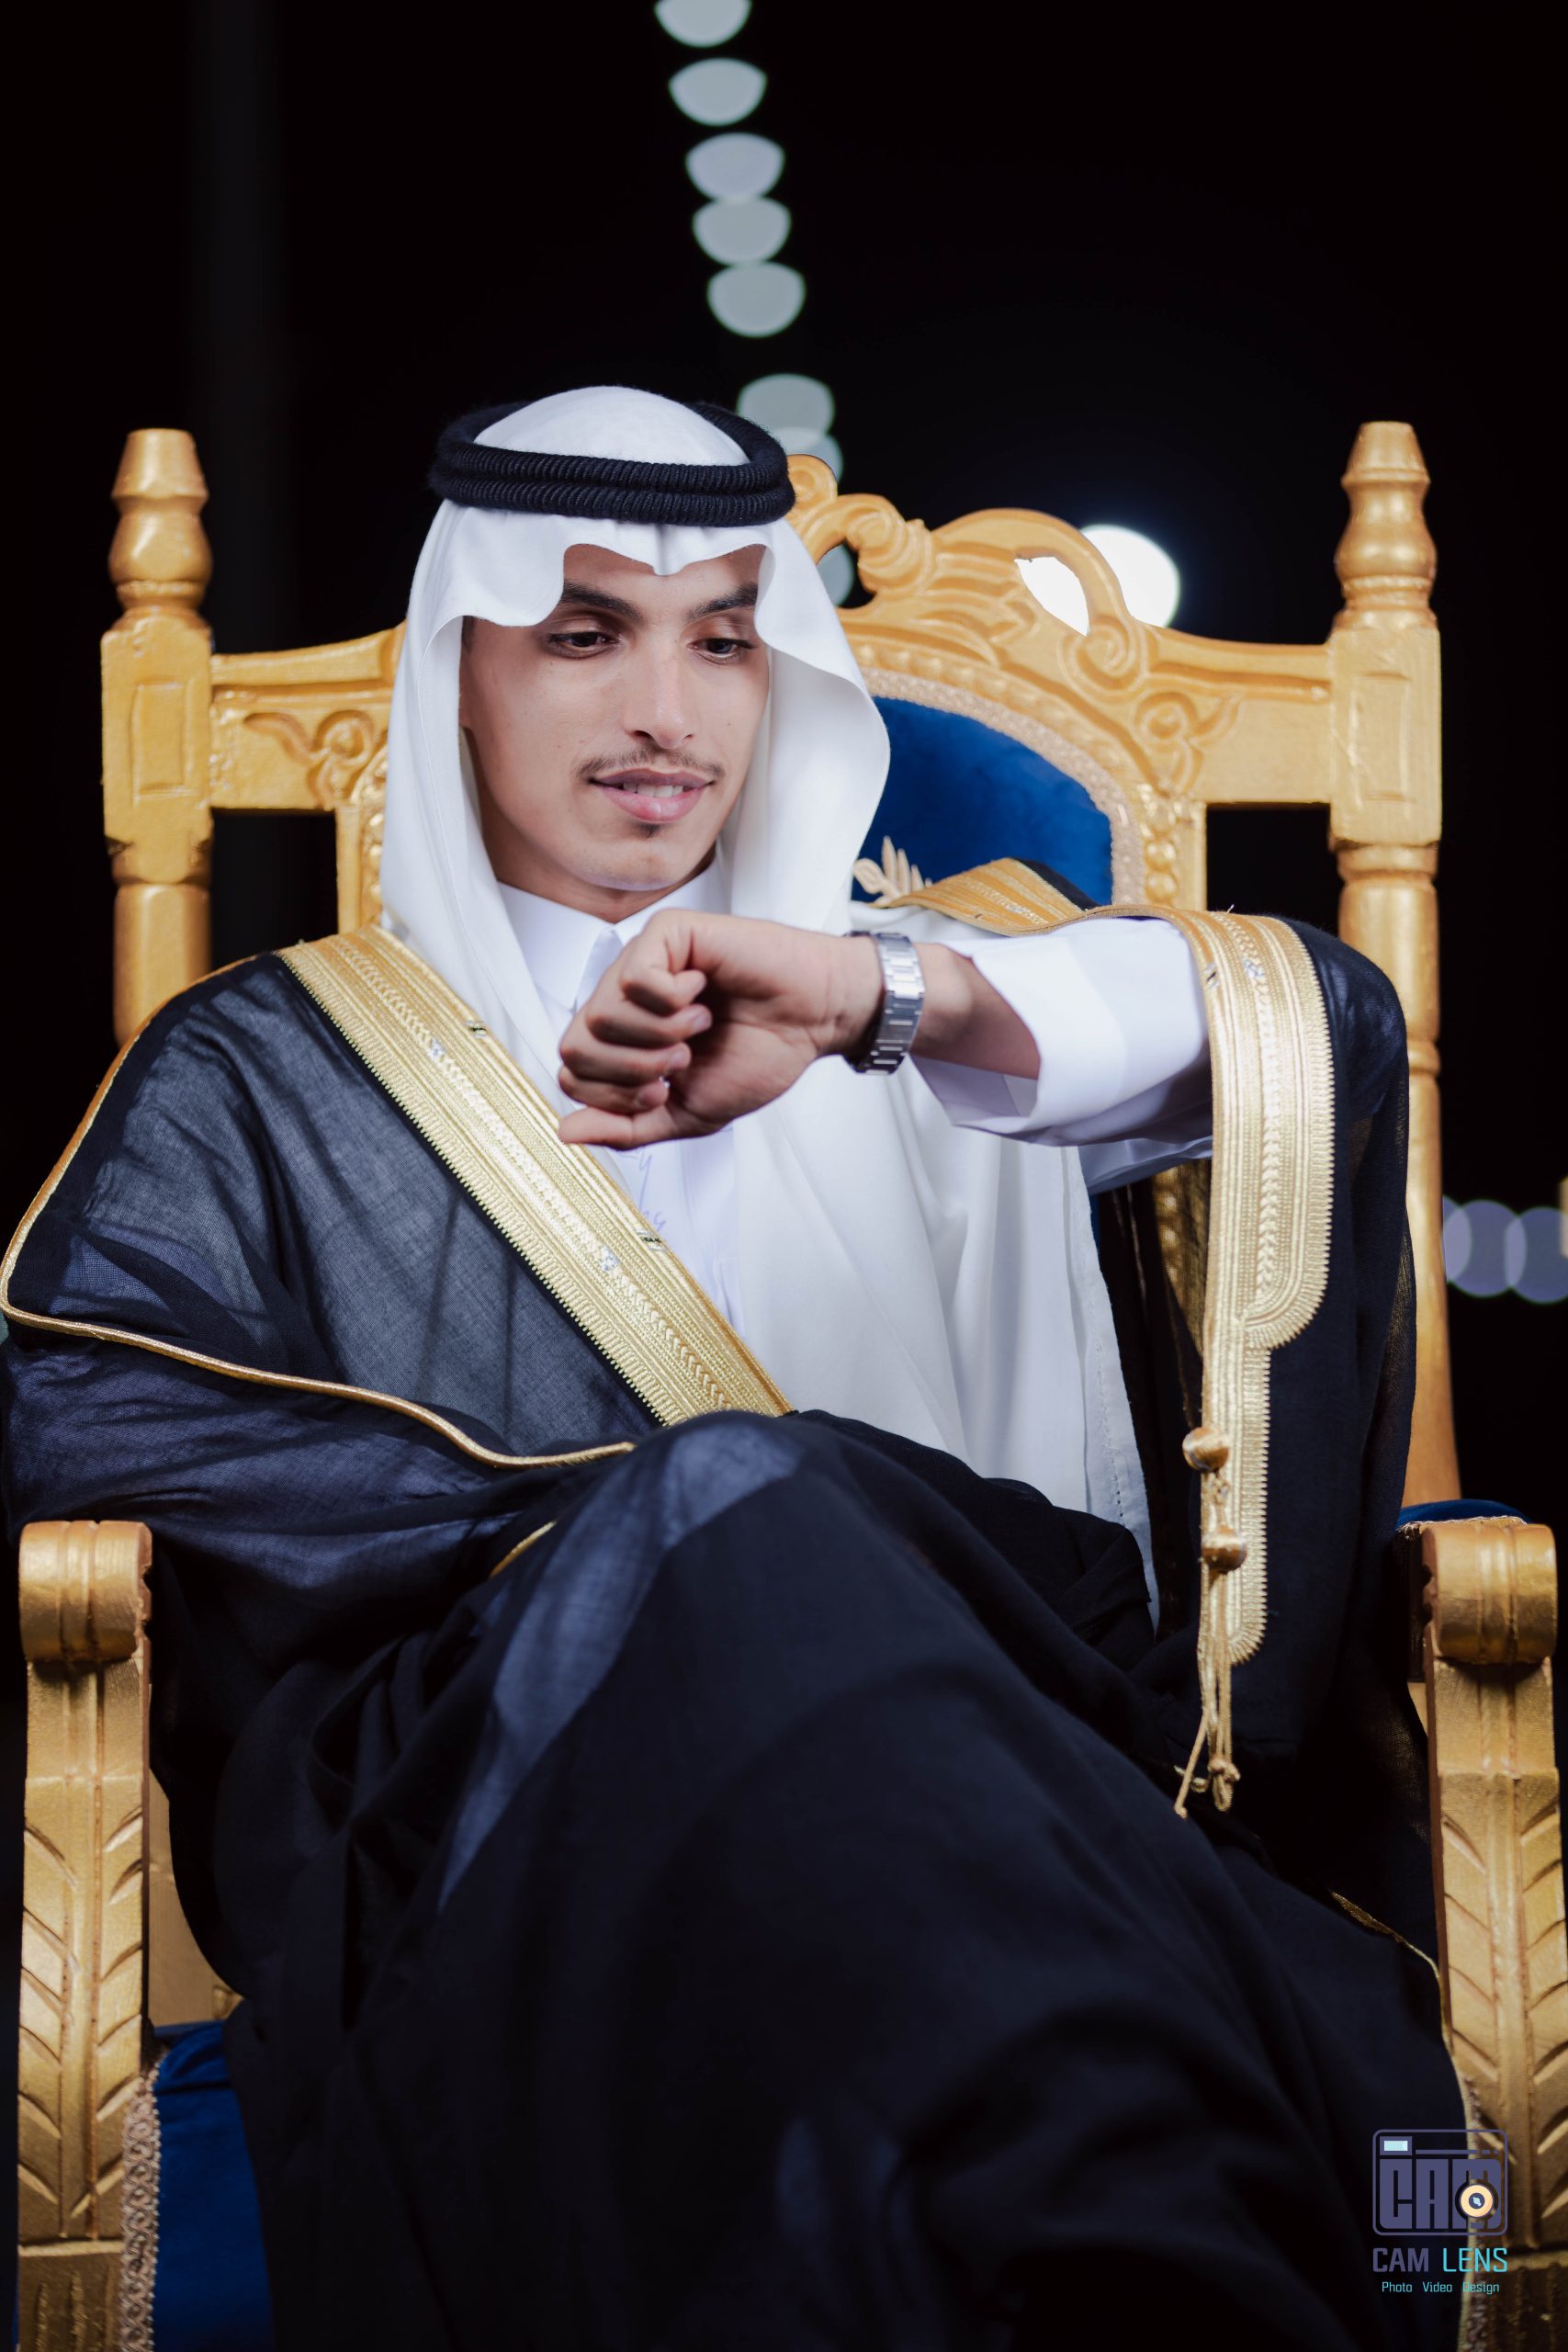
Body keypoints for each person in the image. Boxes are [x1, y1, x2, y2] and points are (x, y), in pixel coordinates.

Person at [2, 390, 1460, 2350]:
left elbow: (1315, 1026)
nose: (662, 713)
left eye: (721, 639)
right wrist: (650, 1558)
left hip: (1033, 1813)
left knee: (762, 1524)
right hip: (545, 1873)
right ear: (457, 671)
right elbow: (85, 1403)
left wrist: (879, 998)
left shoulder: (958, 992)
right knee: (733, 1506)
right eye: (583, 632)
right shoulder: (272, 1068)